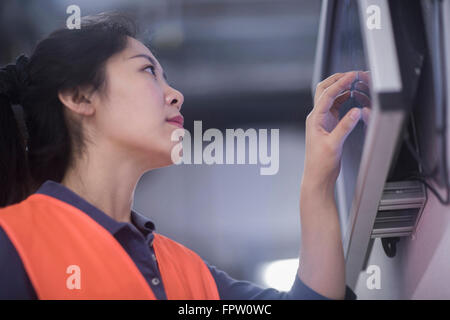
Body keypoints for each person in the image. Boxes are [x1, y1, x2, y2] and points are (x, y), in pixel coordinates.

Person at [0, 12, 363, 300]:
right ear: (80, 97)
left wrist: (318, 179)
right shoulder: (12, 241)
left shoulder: (184, 271)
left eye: (165, 77)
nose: (176, 95)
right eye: (147, 71)